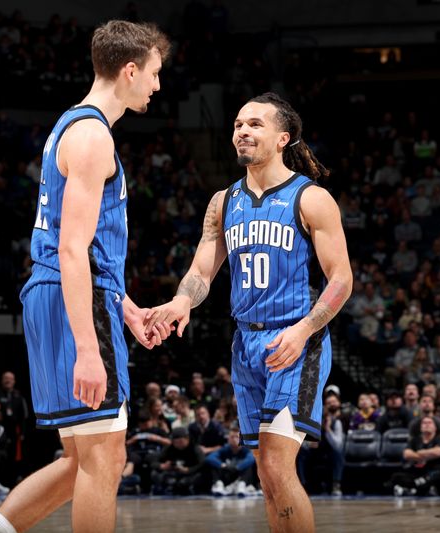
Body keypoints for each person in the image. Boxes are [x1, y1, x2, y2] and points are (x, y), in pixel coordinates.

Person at [0, 20, 172, 533]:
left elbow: (79, 245)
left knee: (76, 463)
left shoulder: (72, 124)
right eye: (154, 73)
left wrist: (125, 308)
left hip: (59, 293)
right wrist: (90, 346)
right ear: (129, 70)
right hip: (71, 297)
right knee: (105, 458)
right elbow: (71, 247)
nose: (157, 85)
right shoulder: (92, 137)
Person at [145, 91, 352, 532]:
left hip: (294, 339)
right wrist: (183, 299)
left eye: (255, 124)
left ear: (284, 137)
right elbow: (203, 269)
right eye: (238, 124)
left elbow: (341, 280)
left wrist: (302, 331)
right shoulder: (224, 201)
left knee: (278, 464)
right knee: (265, 474)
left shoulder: (310, 198)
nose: (242, 131)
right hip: (246, 342)